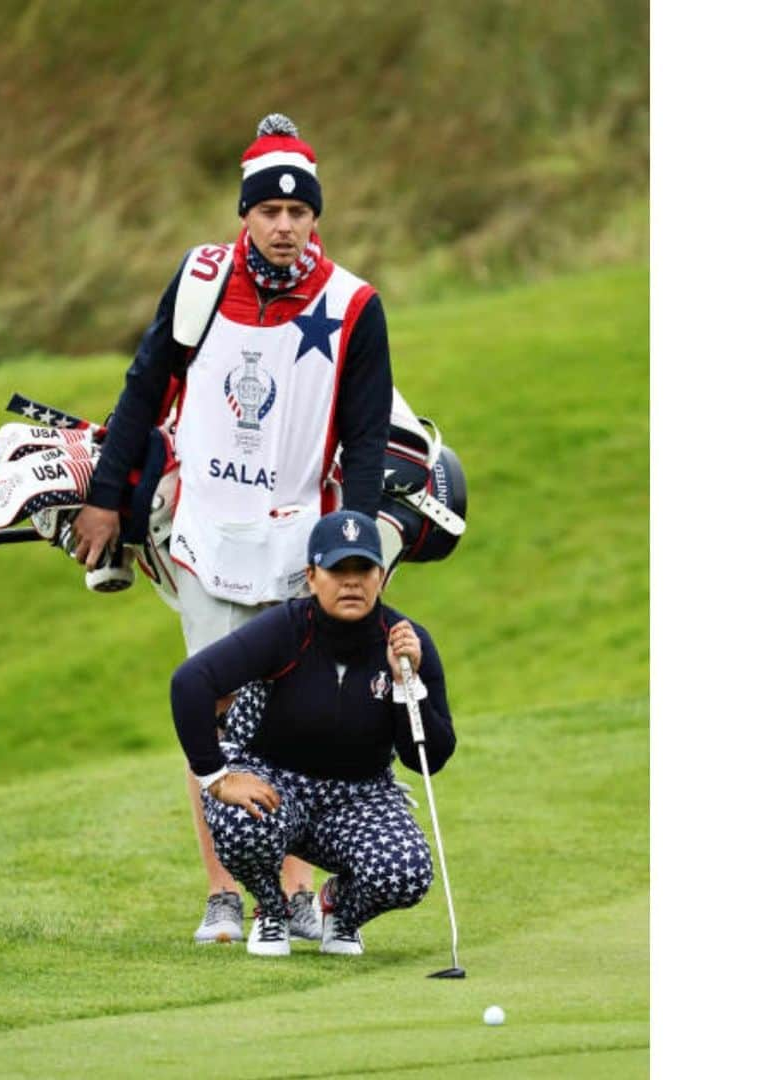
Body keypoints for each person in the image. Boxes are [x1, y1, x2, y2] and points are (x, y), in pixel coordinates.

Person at [70, 114, 394, 944]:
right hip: (207, 536)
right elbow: (144, 390)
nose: (285, 226)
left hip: (299, 543)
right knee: (211, 717)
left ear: (315, 216)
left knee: (293, 720)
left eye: (299, 213)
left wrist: (354, 549)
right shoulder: (202, 280)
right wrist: (106, 496)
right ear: (244, 214)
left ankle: (286, 899)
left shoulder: (353, 302)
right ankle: (223, 891)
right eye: (269, 212)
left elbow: (364, 436)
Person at [170, 510, 456, 956]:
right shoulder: (284, 628)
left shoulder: (405, 642)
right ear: (311, 575)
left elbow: (429, 760)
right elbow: (191, 682)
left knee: (406, 871)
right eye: (337, 570)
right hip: (273, 782)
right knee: (242, 823)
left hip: (360, 795)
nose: (351, 582)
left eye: (363, 569)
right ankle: (271, 910)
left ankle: (338, 909)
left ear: (381, 576)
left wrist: (408, 686)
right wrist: (217, 777)